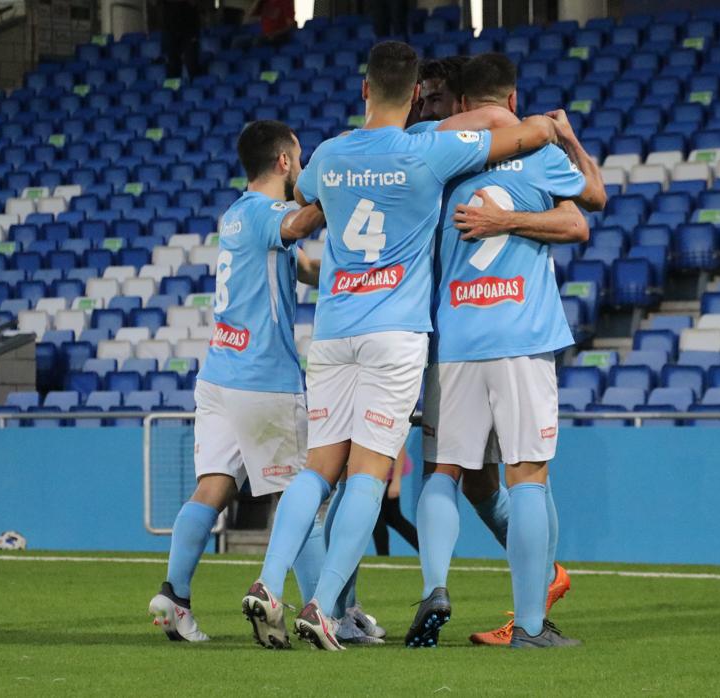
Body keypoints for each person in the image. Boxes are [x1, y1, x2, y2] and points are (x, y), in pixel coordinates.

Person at [241, 39, 561, 652]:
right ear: (416, 95)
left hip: (333, 331)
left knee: (318, 469)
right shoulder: (429, 149)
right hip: (395, 333)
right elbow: (511, 134)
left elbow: (302, 199)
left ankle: (266, 580)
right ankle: (322, 605)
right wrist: (542, 124)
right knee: (368, 471)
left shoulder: (330, 154)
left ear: (364, 89)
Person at [404, 52, 607, 649]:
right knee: (527, 476)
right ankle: (530, 625)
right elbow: (590, 203)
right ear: (515, 101)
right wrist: (562, 138)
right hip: (522, 336)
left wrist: (500, 219)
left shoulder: (436, 157)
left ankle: (435, 588)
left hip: (457, 338)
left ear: (461, 102)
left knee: (445, 470)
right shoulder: (539, 153)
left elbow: (402, 137)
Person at [147, 120, 325, 646]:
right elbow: (295, 228)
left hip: (220, 374)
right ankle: (323, 614)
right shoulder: (272, 215)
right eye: (302, 157)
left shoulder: (237, 216)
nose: (305, 165)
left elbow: (302, 264)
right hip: (263, 378)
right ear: (284, 163)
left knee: (213, 487)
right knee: (300, 496)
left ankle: (174, 595)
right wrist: (340, 188)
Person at [162, 0, 203, 80]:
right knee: (172, 64)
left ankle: (195, 89)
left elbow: (194, 2)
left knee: (192, 62)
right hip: (170, 28)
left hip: (189, 29)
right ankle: (173, 91)